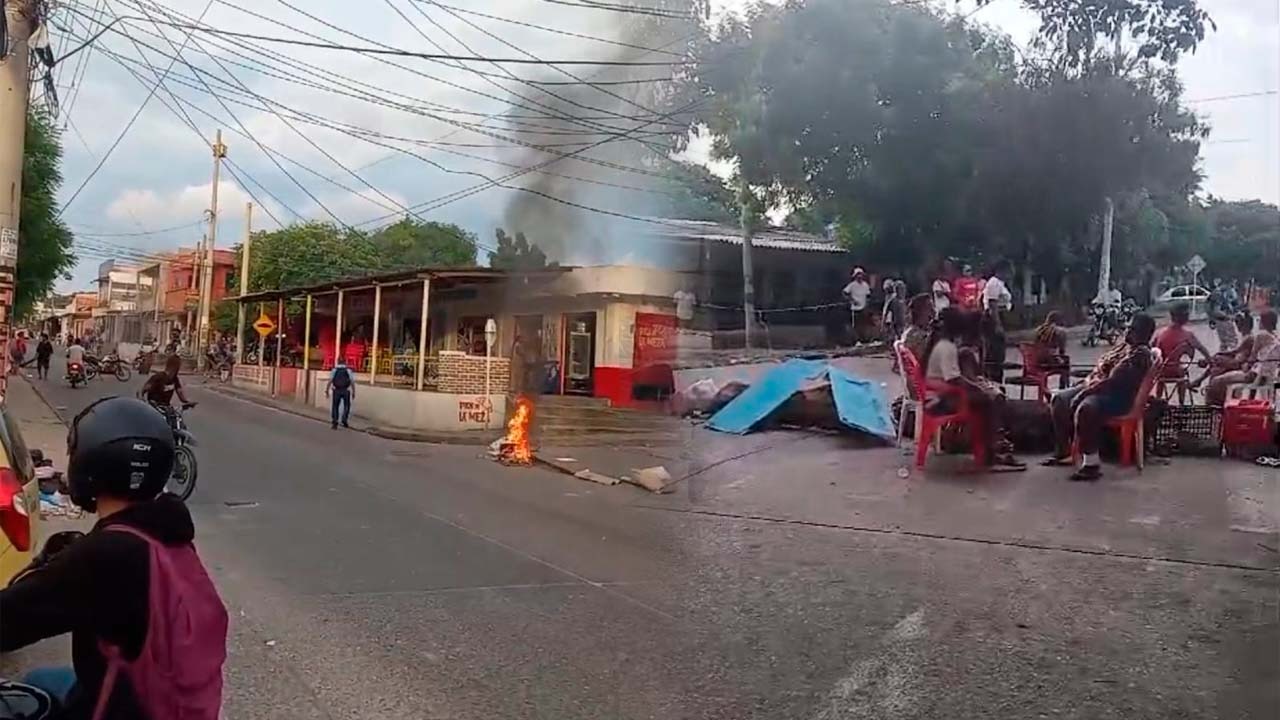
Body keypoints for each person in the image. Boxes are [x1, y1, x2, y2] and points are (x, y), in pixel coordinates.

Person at [0, 396, 228, 720]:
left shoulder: (105, 556)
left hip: (127, 709)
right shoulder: (166, 532)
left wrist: (53, 569)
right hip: (168, 701)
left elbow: (11, 619)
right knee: (41, 679)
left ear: (89, 466)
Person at [1043, 313, 1158, 481]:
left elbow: (1112, 382)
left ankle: (1091, 464)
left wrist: (1084, 392)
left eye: (1132, 329)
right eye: (1128, 327)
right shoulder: (1126, 347)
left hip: (1116, 397)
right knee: (1059, 400)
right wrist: (1086, 383)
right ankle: (1064, 451)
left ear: (1144, 334)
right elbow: (1102, 367)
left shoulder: (1140, 355)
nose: (1127, 331)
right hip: (1096, 386)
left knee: (1086, 408)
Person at [923, 307, 1024, 470]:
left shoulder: (942, 343)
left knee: (988, 396)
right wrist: (977, 388)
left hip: (938, 394)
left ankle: (994, 445)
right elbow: (954, 379)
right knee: (988, 401)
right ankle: (991, 454)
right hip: (941, 400)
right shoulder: (946, 348)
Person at [1204, 309, 1278, 406]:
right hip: (1266, 377)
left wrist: (1243, 365)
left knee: (1215, 381)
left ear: (1264, 322)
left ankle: (1215, 406)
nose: (1258, 322)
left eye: (1260, 319)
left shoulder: (1261, 336)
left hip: (1252, 376)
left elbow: (1252, 358)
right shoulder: (1276, 338)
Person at [1152, 302, 1212, 403]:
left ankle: (1158, 398)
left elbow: (1152, 350)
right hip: (1178, 372)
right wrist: (1207, 360)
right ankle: (1181, 402)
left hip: (1161, 371)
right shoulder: (1188, 335)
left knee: (1162, 369)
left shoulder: (1160, 333)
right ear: (1184, 317)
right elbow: (1203, 350)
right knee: (1182, 370)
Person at [981, 261, 1013, 381]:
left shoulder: (1001, 284)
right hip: (993, 318)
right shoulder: (994, 283)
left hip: (1000, 316)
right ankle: (993, 379)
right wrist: (997, 324)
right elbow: (992, 304)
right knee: (994, 352)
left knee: (999, 353)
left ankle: (996, 377)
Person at [899, 294, 933, 364]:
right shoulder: (915, 335)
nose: (933, 311)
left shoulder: (912, 331)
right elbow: (924, 359)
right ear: (920, 310)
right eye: (929, 307)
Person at [842, 268, 872, 344]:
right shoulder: (852, 285)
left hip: (864, 307)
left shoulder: (865, 285)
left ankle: (864, 340)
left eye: (861, 274)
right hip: (855, 308)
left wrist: (867, 304)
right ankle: (857, 340)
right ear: (855, 276)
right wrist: (852, 300)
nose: (859, 276)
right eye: (858, 274)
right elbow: (844, 292)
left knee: (864, 325)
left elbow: (868, 295)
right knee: (855, 325)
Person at [326, 357, 355, 429]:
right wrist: (353, 392)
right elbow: (352, 382)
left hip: (337, 390)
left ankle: (335, 422)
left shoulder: (334, 370)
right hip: (346, 390)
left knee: (335, 406)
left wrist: (327, 390)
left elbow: (330, 381)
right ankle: (344, 419)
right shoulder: (348, 370)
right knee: (346, 406)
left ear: (338, 362)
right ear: (345, 362)